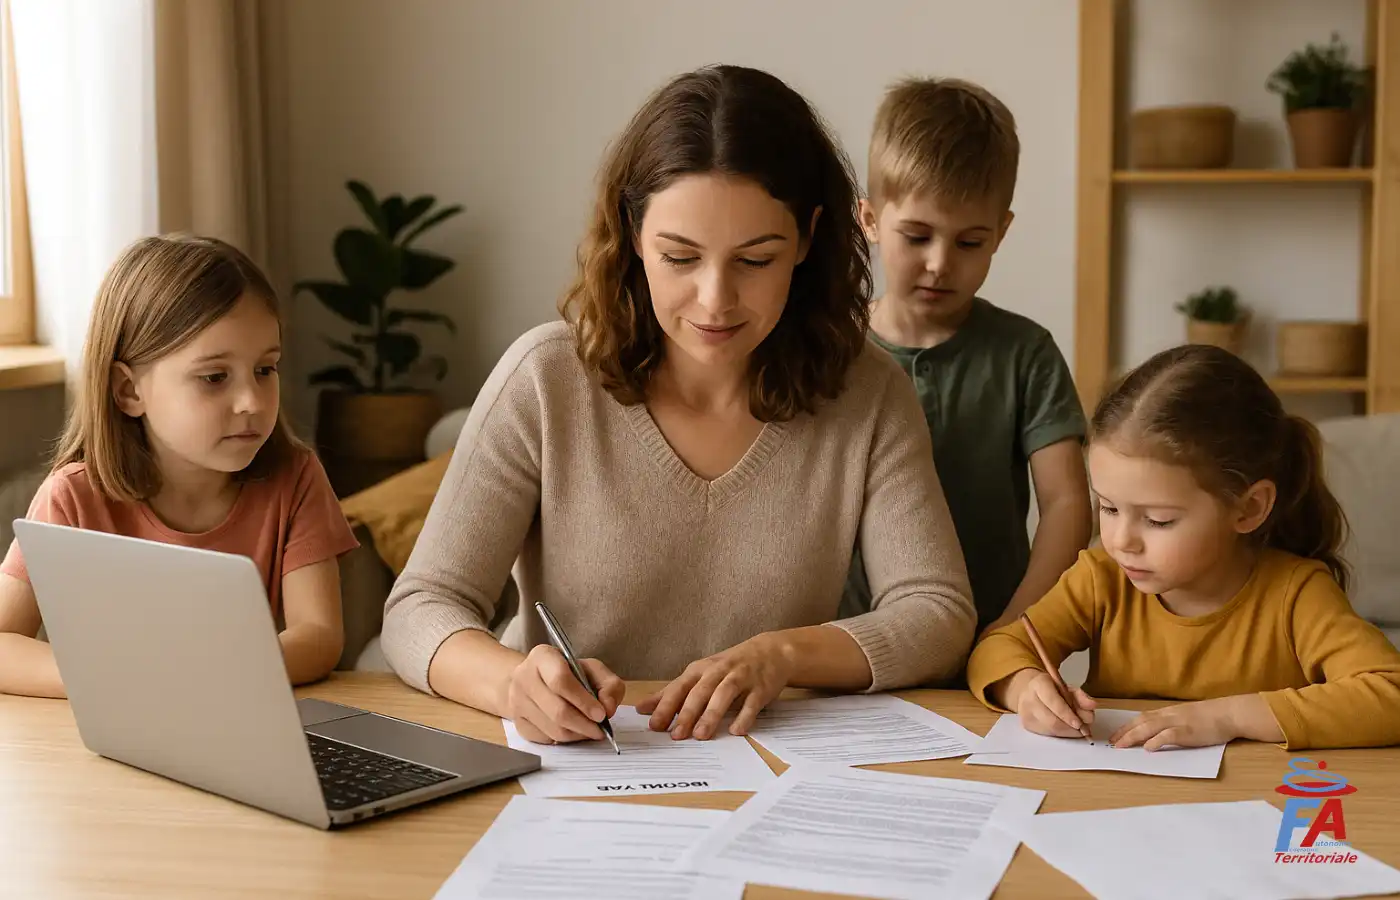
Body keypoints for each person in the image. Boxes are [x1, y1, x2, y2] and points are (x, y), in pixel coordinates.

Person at [381, 64, 975, 747]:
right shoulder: (545, 379)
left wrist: (779, 655)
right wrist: (512, 683)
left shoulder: (868, 394)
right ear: (635, 235)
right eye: (680, 257)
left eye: (755, 260)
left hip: (774, 773)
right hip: (577, 769)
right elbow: (420, 608)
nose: (715, 299)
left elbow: (938, 612)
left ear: (808, 240)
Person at [967, 344, 1400, 751]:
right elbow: (995, 649)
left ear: (1248, 508)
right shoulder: (1101, 578)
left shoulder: (1296, 594)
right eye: (1109, 508)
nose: (1120, 541)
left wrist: (1231, 716)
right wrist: (1025, 688)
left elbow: (1389, 693)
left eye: (1158, 520)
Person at [0, 235, 358, 698]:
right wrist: (125, 680)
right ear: (129, 391)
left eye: (265, 370)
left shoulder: (297, 478)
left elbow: (318, 636)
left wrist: (205, 676)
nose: (251, 401)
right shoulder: (70, 496)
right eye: (214, 377)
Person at [843, 77, 1091, 636]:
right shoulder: (828, 348)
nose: (939, 263)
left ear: (1002, 232)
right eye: (917, 236)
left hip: (986, 645)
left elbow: (1067, 504)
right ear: (870, 220)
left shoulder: (1026, 353)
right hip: (849, 649)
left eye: (969, 243)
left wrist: (1014, 628)